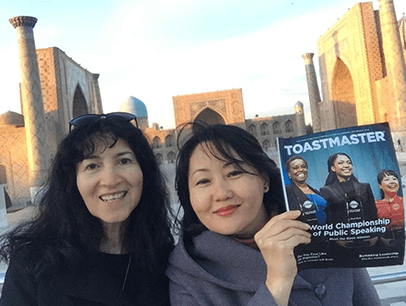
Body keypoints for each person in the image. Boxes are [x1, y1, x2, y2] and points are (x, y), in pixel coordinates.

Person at [167, 123, 380, 306]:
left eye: (234, 173)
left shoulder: (323, 227)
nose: (222, 194)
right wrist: (277, 283)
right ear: (189, 197)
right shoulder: (188, 274)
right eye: (203, 181)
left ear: (265, 180)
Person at [0, 112, 174, 306]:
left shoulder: (165, 262)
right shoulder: (34, 265)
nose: (111, 180)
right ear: (72, 181)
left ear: (144, 173)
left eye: (124, 161)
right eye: (92, 166)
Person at [320, 153, 378, 225]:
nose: (347, 165)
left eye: (349, 163)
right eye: (341, 163)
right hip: (342, 234)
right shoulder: (326, 191)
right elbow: (328, 219)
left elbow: (373, 214)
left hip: (367, 233)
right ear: (333, 168)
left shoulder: (365, 187)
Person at [285, 156, 327, 225]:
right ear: (289, 173)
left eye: (303, 167)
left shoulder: (317, 192)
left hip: (326, 232)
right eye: (296, 168)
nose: (301, 170)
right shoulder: (288, 192)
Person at [375, 169, 405, 247]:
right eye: (387, 179)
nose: (392, 182)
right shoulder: (375, 205)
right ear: (380, 185)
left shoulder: (404, 202)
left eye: (394, 179)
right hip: (384, 244)